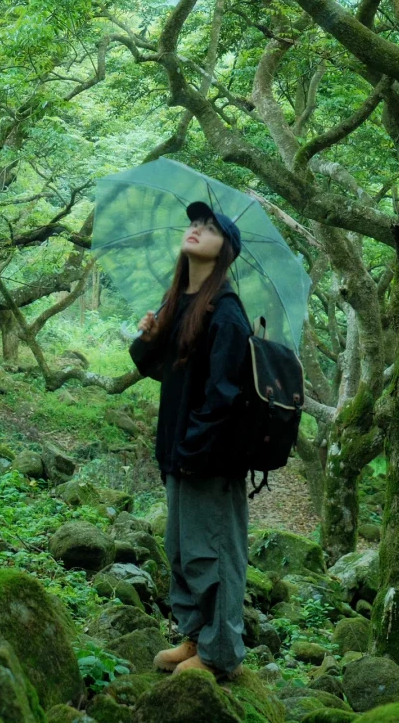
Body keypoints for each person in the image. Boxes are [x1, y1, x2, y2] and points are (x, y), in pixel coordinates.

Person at [129, 198, 253, 679]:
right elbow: (155, 368)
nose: (196, 229)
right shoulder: (180, 303)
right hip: (179, 451)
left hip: (209, 457)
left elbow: (224, 397)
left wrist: (194, 451)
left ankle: (219, 654)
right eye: (194, 223)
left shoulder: (227, 313)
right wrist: (148, 336)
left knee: (215, 553)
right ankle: (194, 636)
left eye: (210, 226)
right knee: (182, 549)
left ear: (226, 250)